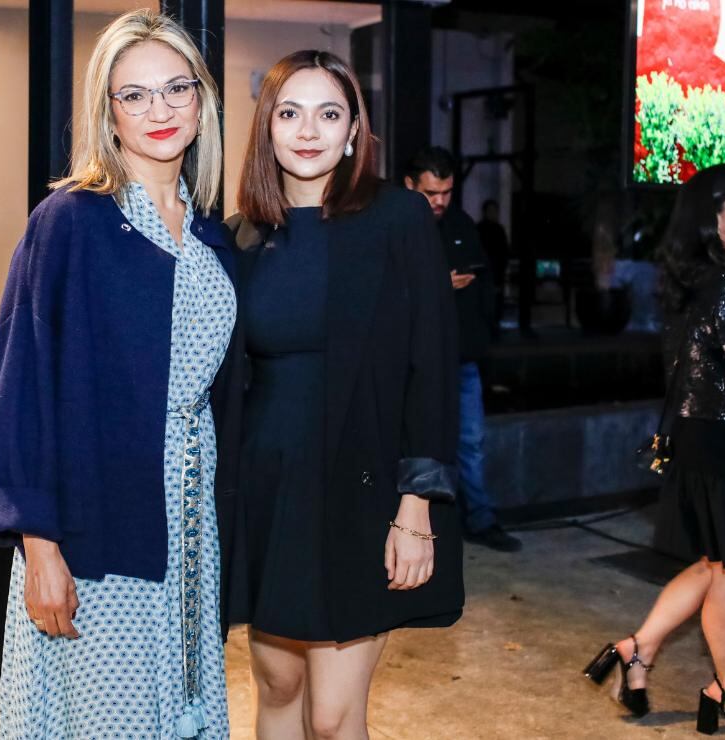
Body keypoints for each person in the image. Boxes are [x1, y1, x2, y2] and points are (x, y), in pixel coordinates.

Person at [0, 10, 235, 738]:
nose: (159, 110)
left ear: (202, 100)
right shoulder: (72, 220)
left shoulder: (213, 231)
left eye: (176, 89)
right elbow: (19, 387)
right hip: (93, 528)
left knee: (179, 710)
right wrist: (39, 545)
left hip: (188, 519)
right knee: (104, 718)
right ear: (108, 111)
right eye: (135, 95)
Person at [220, 50, 462, 740]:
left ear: (355, 129)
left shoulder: (398, 219)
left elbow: (432, 366)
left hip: (364, 488)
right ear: (266, 126)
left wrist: (416, 506)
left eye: (329, 113)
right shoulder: (241, 235)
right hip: (268, 489)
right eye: (289, 113)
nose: (308, 130)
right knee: (278, 683)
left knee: (332, 717)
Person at [584, 164, 725, 740]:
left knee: (720, 563)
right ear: (716, 217)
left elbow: (703, 362)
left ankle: (638, 649)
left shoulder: (695, 279)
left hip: (701, 438)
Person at [404, 146, 522, 552]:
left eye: (447, 192)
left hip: (463, 356)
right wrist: (439, 283)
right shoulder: (398, 224)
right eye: (432, 192)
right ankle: (427, 525)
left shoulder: (461, 224)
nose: (440, 201)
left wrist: (484, 343)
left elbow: (482, 285)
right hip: (414, 361)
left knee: (471, 442)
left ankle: (479, 519)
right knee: (417, 442)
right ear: (410, 185)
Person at [477, 198, 511, 334]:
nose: (493, 213)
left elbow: (504, 250)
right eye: (491, 211)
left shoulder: (498, 229)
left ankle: (494, 325)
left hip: (496, 270)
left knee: (496, 299)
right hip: (484, 271)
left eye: (494, 211)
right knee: (486, 300)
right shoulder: (480, 229)